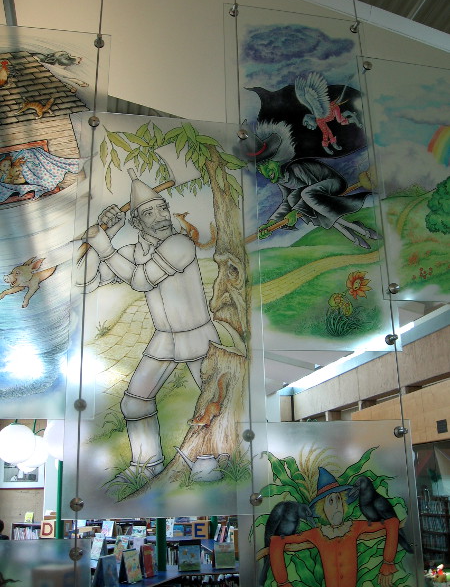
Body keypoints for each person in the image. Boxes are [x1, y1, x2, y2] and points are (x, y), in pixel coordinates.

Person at [77, 171, 219, 480]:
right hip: (165, 339)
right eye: (149, 213)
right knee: (134, 403)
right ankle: (146, 465)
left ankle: (208, 461)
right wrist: (108, 234)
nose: (160, 217)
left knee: (212, 402)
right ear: (137, 222)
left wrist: (104, 247)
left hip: (199, 336)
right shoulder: (133, 252)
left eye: (161, 209)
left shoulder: (180, 244)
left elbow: (141, 280)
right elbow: (84, 281)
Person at [241, 121, 380, 249]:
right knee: (297, 200)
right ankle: (355, 233)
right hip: (314, 196)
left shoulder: (296, 168)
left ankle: (362, 231)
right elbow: (287, 201)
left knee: (306, 195)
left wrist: (296, 212)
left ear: (277, 159)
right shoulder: (281, 180)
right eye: (260, 169)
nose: (265, 172)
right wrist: (271, 222)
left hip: (333, 183)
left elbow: (314, 187)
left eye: (266, 164)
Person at [269, 468, 399, 587]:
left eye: (339, 499)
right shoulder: (317, 534)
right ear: (322, 509)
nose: (337, 506)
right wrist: (283, 582)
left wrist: (387, 562)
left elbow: (392, 523)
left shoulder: (354, 527)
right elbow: (277, 541)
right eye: (330, 501)